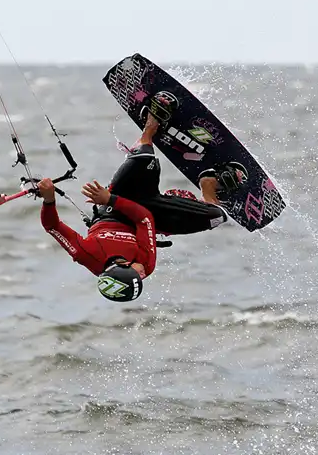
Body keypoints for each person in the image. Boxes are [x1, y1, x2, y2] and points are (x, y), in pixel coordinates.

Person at [36, 92, 246, 302]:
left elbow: (52, 226)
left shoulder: (86, 254)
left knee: (146, 160)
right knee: (217, 216)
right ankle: (210, 184)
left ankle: (151, 125)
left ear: (122, 266)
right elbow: (144, 217)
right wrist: (110, 199)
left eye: (138, 274)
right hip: (146, 216)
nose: (143, 273)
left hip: (113, 208)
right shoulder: (146, 264)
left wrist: (49, 198)